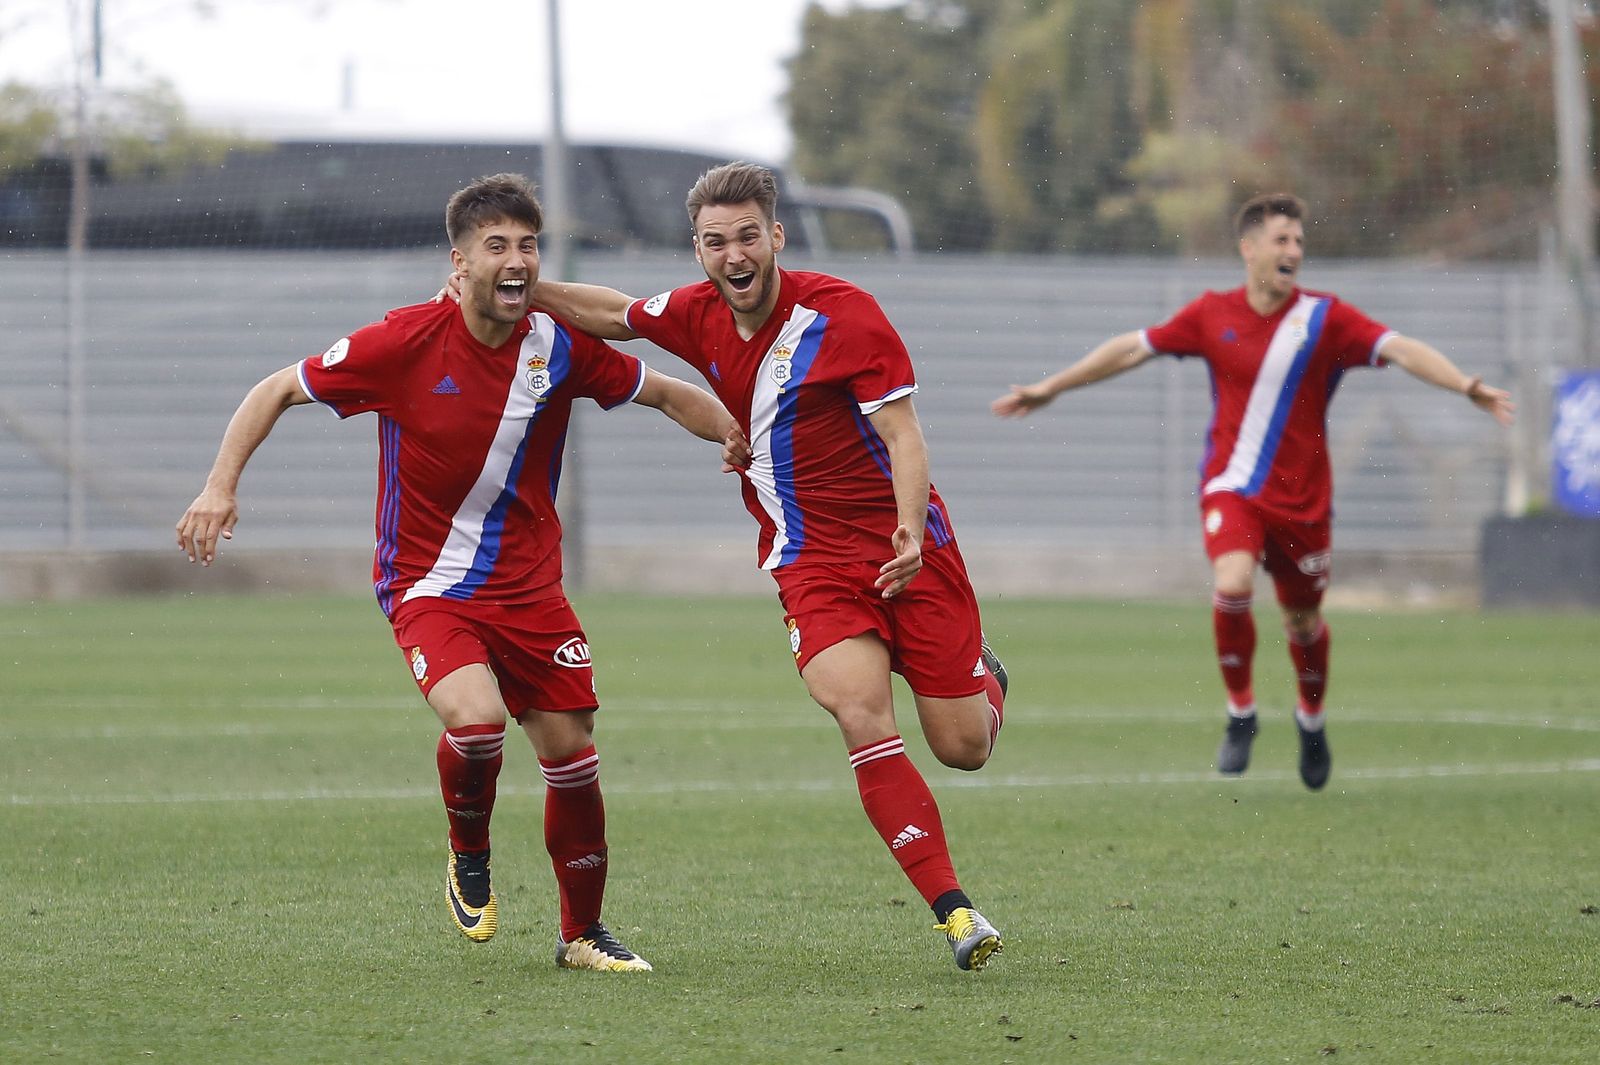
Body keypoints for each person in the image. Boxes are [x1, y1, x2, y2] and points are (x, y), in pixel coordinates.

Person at [175, 172, 746, 972]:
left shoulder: (556, 343)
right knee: (476, 723)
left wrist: (742, 436)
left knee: (572, 753)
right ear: (460, 261)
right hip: (428, 584)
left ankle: (582, 933)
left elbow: (663, 393)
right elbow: (275, 388)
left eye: (528, 246)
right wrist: (219, 484)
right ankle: (467, 844)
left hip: (531, 590)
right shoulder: (402, 342)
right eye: (498, 247)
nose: (517, 262)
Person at [519, 161, 1009, 972]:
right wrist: (525, 284)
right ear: (699, 249)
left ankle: (984, 678)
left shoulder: (843, 314)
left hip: (906, 550)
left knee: (962, 746)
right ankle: (955, 912)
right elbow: (613, 313)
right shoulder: (695, 311)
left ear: (776, 237)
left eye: (748, 235)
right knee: (860, 712)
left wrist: (911, 531)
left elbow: (904, 435)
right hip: (807, 560)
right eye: (716, 241)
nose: (733, 254)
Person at [992, 192, 1514, 790]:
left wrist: (1466, 384)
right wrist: (1052, 387)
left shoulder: (1324, 319)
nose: (1293, 250)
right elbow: (1133, 347)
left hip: (1304, 502)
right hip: (1233, 489)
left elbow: (1400, 349)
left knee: (1302, 623)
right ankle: (1241, 713)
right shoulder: (1212, 314)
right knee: (1233, 584)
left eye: (1298, 241)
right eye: (1281, 239)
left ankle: (1310, 720)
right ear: (1249, 248)